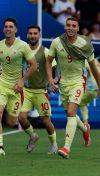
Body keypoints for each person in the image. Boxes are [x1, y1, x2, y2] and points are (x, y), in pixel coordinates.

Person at [46, 17, 100, 159]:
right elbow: (48, 61)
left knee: (71, 112)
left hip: (78, 82)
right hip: (63, 83)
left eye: (74, 25)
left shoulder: (85, 44)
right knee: (69, 114)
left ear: (78, 28)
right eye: (68, 25)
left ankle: (66, 148)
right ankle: (85, 129)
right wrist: (51, 80)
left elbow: (94, 67)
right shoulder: (57, 42)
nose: (71, 27)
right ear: (65, 27)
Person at [0, 18, 37, 156]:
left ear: (15, 29)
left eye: (11, 27)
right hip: (2, 85)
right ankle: (0, 146)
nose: (8, 29)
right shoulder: (0, 45)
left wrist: (22, 81)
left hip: (16, 88)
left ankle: (33, 135)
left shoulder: (22, 46)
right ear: (4, 29)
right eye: (6, 26)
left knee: (11, 122)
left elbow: (33, 65)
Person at [18, 25, 58, 154]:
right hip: (26, 90)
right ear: (27, 35)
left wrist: (52, 80)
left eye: (35, 33)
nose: (33, 36)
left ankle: (54, 144)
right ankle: (32, 135)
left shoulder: (45, 51)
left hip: (41, 91)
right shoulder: (22, 50)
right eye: (30, 33)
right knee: (21, 118)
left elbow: (54, 66)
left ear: (39, 35)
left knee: (46, 121)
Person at [79, 60, 100, 125]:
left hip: (89, 87)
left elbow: (88, 71)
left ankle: (79, 122)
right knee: (82, 103)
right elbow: (99, 75)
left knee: (77, 103)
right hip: (95, 89)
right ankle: (85, 122)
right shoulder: (97, 61)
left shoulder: (85, 60)